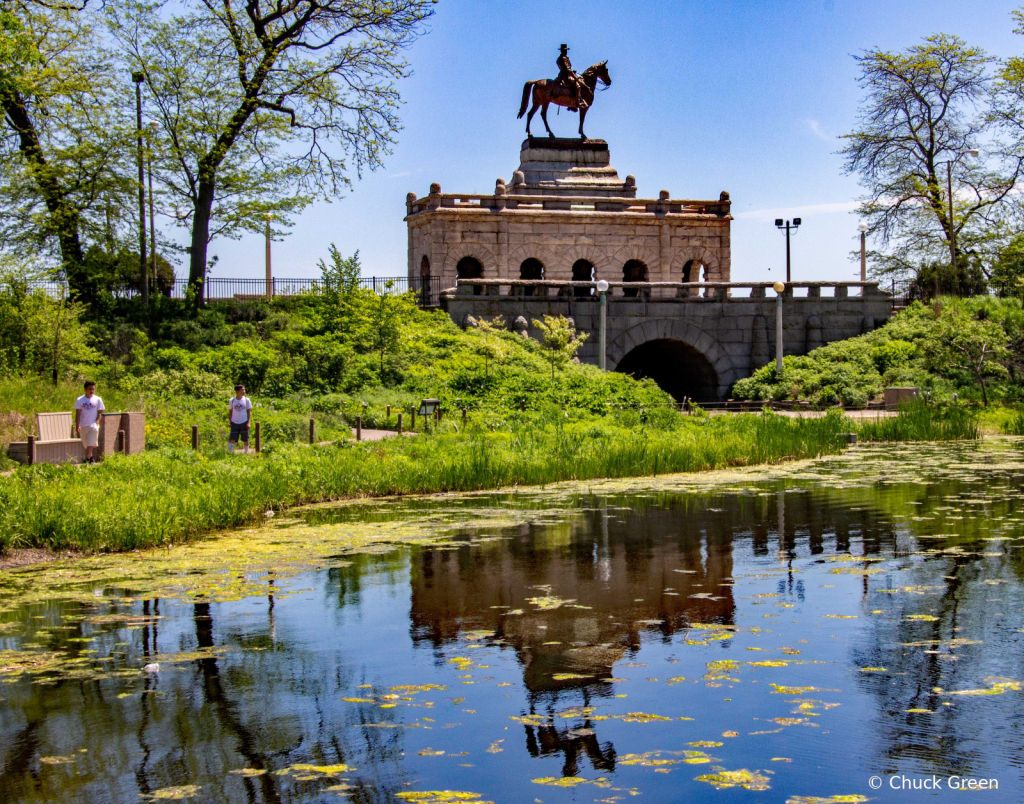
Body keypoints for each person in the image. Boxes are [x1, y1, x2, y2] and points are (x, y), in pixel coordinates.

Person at [74, 380, 104, 464]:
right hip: (83, 425)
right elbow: (78, 413)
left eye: (93, 389)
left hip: (93, 425)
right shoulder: (80, 400)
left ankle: (87, 459)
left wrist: (96, 423)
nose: (92, 391)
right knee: (86, 444)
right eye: (90, 389)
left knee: (90, 443)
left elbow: (100, 413)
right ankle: (91, 459)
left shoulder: (98, 399)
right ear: (85, 389)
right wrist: (77, 425)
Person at [556, 44, 583, 112]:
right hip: (566, 76)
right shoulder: (564, 58)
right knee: (578, 85)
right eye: (565, 50)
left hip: (562, 75)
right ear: (562, 51)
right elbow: (567, 69)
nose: (566, 51)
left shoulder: (559, 58)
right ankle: (577, 103)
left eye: (566, 50)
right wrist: (573, 75)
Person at [228, 384, 252, 454]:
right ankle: (230, 453)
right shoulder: (232, 400)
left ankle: (246, 453)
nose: (244, 391)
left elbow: (249, 411)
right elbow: (230, 411)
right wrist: (230, 421)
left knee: (245, 439)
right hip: (234, 422)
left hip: (244, 421)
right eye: (242, 390)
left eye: (244, 390)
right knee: (232, 438)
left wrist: (248, 422)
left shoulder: (247, 400)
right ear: (237, 391)